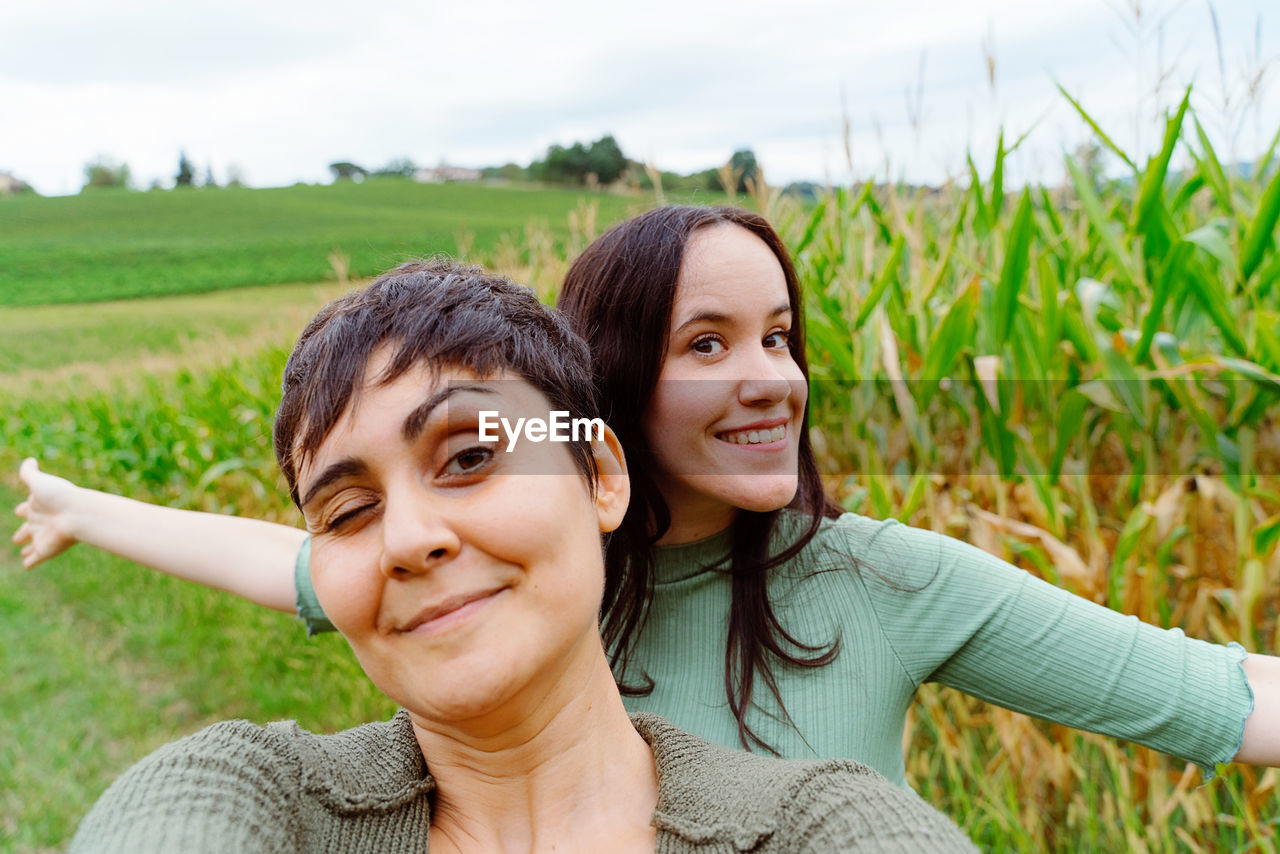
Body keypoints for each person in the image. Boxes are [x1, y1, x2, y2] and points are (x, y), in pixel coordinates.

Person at [16, 206, 1280, 790]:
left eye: (781, 336)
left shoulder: (882, 578)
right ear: (607, 396)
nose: (771, 379)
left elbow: (1214, 699)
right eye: (708, 344)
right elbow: (276, 554)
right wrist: (79, 506)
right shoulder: (512, 573)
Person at [68, 259, 976, 853]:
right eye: (347, 511)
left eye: (470, 458)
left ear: (602, 478)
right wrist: (75, 507)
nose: (409, 539)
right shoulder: (254, 796)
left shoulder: (818, 827)